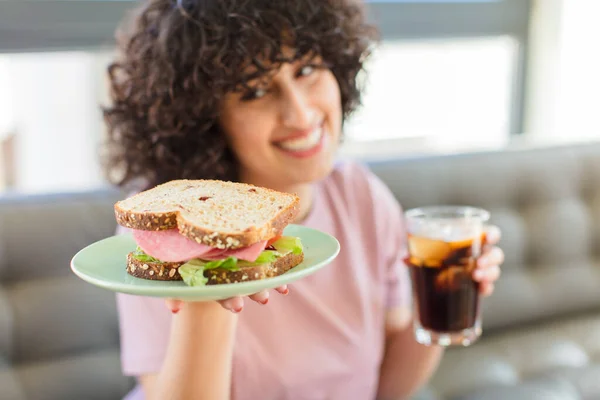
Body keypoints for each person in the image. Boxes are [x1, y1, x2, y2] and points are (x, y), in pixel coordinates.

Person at [102, 0, 505, 399]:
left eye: (307, 70)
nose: (300, 114)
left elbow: (385, 390)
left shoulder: (360, 195)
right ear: (205, 119)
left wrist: (443, 294)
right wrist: (206, 287)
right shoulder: (162, 231)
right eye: (256, 91)